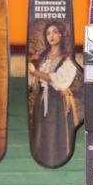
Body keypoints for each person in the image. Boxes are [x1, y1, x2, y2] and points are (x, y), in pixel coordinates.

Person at [28, 21, 80, 163]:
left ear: (62, 34)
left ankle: (55, 161)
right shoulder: (42, 57)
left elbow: (60, 82)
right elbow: (32, 81)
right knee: (41, 136)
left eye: (55, 32)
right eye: (48, 33)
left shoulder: (67, 59)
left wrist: (36, 72)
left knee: (55, 136)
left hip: (57, 102)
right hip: (42, 101)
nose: (51, 36)